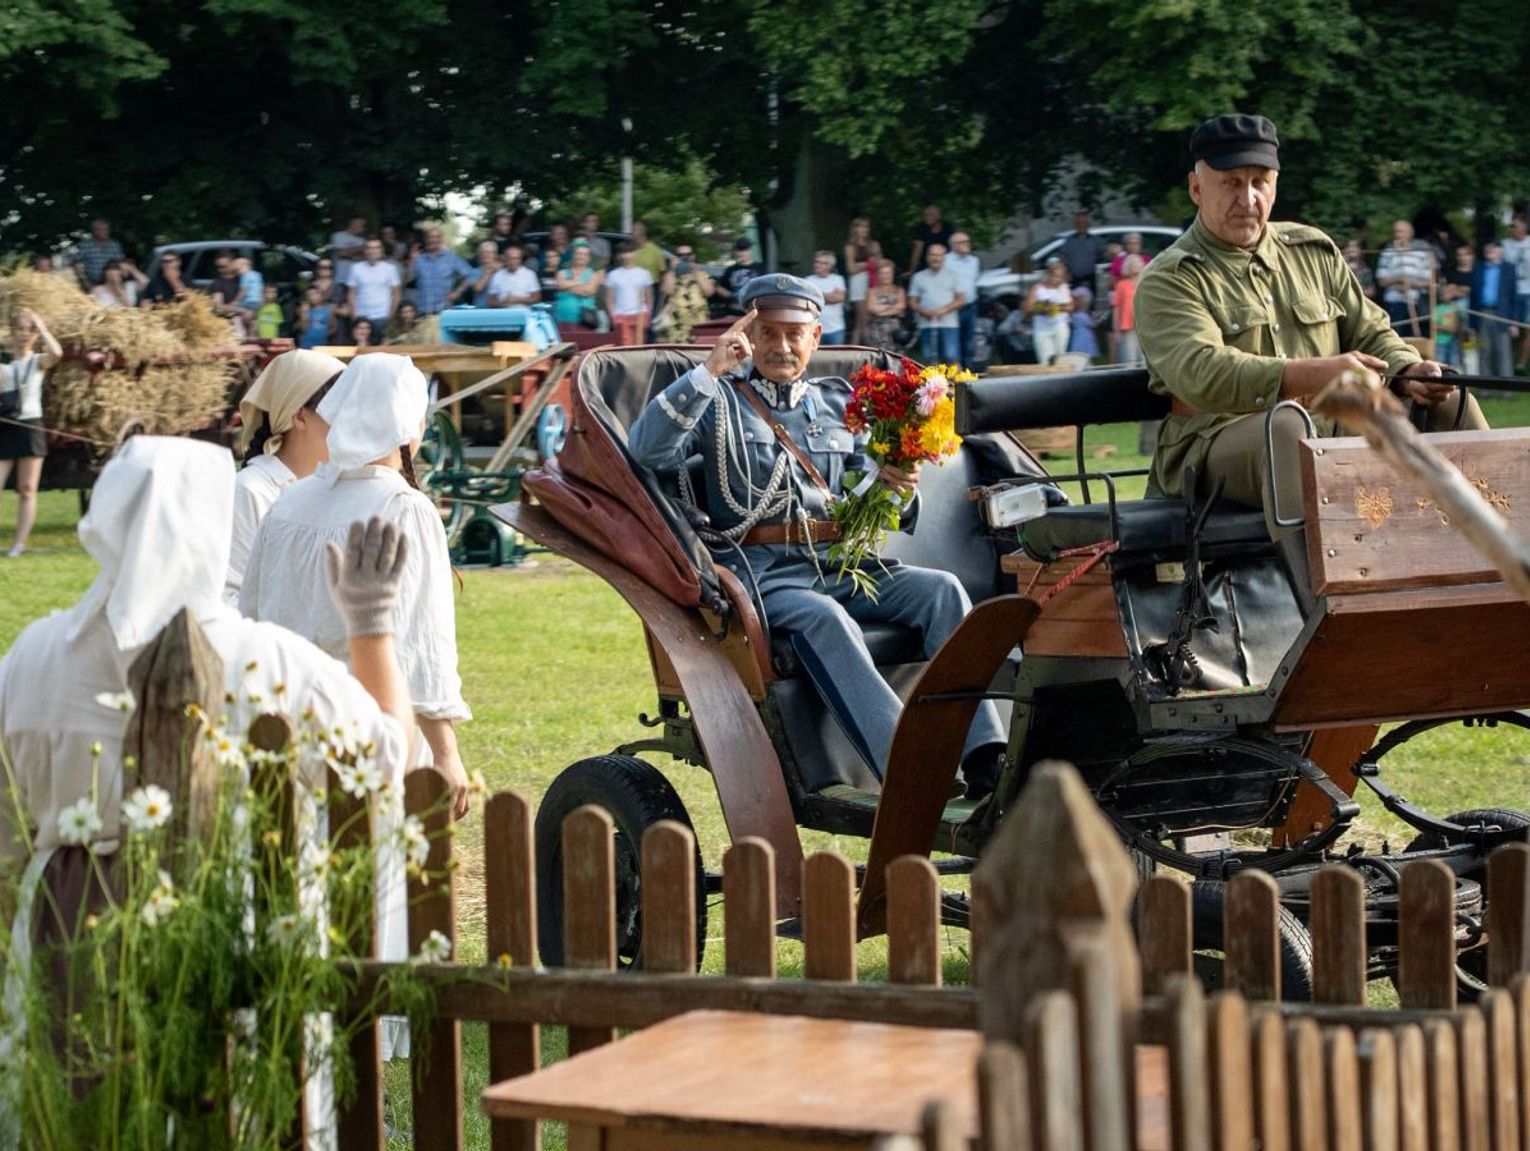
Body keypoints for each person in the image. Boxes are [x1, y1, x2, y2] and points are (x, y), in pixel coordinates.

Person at [0, 435, 421, 1148]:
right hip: (235, 932)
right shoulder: (267, 659)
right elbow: (387, 757)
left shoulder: (34, 656)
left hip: (67, 935)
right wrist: (371, 626)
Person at [626, 275, 1007, 795]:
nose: (781, 346)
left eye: (794, 334)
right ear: (749, 336)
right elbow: (646, 451)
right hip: (768, 574)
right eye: (768, 333)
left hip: (843, 563)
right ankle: (909, 770)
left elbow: (872, 503)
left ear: (816, 338)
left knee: (942, 590)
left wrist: (896, 485)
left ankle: (986, 755)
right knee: (825, 618)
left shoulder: (837, 404)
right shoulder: (717, 402)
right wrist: (709, 370)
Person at [1135, 112, 1485, 551]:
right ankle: (1323, 589)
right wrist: (1308, 375)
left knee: (1451, 399)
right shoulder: (1171, 277)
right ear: (1196, 188)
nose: (1248, 198)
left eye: (1260, 182)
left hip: (1331, 427)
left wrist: (1408, 370)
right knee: (1285, 428)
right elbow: (1202, 373)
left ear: (1275, 186)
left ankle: (1503, 563)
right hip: (1213, 445)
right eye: (1231, 183)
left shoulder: (1311, 251)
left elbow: (1371, 330)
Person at [241, 355, 472, 817]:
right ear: (407, 423)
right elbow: (423, 642)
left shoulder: (290, 500)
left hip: (287, 723)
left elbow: (252, 615)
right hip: (374, 726)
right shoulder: (404, 508)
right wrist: (446, 753)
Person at [225, 349, 346, 604]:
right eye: (338, 412)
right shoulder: (251, 491)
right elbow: (229, 597)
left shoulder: (336, 488)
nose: (347, 425)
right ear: (301, 416)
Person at [0, 308, 61, 557]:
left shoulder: (37, 362)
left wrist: (41, 326)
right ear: (12, 332)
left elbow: (56, 353)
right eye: (20, 329)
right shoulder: (4, 364)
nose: (25, 334)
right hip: (7, 426)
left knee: (27, 488)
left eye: (29, 330)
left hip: (31, 425)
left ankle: (19, 544)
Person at [1376, 219, 1435, 338]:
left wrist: (1411, 283)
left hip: (1416, 302)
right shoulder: (1388, 252)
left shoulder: (1421, 253)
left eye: (1402, 232)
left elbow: (1430, 281)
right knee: (1395, 336)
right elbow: (1381, 280)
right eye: (1396, 232)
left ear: (1410, 233)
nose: (1398, 235)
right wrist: (1399, 279)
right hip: (1394, 302)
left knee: (1415, 337)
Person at [907, 243, 964, 362]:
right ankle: (933, 376)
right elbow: (912, 301)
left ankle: (957, 376)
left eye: (939, 255)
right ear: (927, 257)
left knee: (951, 357)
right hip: (926, 324)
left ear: (944, 257)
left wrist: (944, 310)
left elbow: (961, 299)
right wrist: (924, 311)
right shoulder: (918, 277)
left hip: (949, 324)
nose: (936, 258)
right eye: (932, 255)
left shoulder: (953, 275)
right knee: (929, 358)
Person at [1471, 239, 1519, 378]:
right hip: (1482, 313)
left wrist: (1514, 322)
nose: (1489, 250)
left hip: (1502, 315)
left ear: (1500, 251)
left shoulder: (1508, 268)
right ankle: (1485, 385)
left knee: (1503, 351)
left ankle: (1506, 385)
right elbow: (1472, 297)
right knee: (1484, 351)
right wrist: (1471, 324)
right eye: (1487, 248)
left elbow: (1513, 296)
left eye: (1493, 248)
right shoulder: (1478, 268)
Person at [410, 227, 473, 315]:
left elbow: (471, 275)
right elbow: (407, 280)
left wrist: (457, 293)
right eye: (430, 237)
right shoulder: (419, 259)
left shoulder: (451, 258)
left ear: (441, 239)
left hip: (444, 311)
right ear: (426, 240)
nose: (433, 240)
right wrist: (412, 260)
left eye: (437, 237)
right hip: (423, 311)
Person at [659, 244, 715, 342]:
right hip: (677, 326)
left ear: (693, 256)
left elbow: (709, 292)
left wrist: (696, 273)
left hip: (699, 324)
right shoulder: (670, 275)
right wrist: (672, 270)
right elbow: (667, 291)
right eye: (680, 255)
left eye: (688, 255)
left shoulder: (701, 274)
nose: (684, 258)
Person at [603, 243, 654, 345]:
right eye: (623, 253)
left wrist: (648, 316)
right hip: (621, 316)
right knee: (625, 346)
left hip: (640, 314)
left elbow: (649, 298)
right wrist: (613, 317)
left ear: (635, 253)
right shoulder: (612, 275)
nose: (626, 256)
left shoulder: (644, 273)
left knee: (640, 346)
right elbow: (609, 299)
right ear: (618, 256)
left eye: (629, 252)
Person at [1024, 259, 1072, 365]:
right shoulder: (1037, 288)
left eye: (1061, 277)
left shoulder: (1064, 288)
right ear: (1049, 275)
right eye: (1055, 276)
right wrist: (1041, 309)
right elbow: (1028, 309)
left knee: (1060, 359)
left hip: (1060, 326)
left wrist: (1055, 308)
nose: (1058, 279)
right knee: (1045, 361)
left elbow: (1070, 306)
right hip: (1042, 329)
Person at [347, 238, 402, 331]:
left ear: (381, 250)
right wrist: (354, 316)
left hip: (383, 316)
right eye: (369, 248)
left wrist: (391, 315)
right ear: (365, 251)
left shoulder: (390, 268)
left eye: (376, 248)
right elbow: (351, 294)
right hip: (361, 316)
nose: (372, 251)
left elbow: (396, 294)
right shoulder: (355, 268)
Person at [1501, 214, 1530, 371]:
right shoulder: (1505, 244)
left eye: (1515, 225)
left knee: (1527, 329)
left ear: (1525, 226)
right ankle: (1509, 363)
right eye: (1511, 226)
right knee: (1511, 330)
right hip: (1511, 292)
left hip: (1528, 291)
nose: (1512, 229)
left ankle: (1521, 364)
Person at [946, 233, 981, 363]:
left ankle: (968, 369)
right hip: (952, 308)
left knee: (969, 341)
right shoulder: (945, 260)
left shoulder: (974, 261)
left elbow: (974, 281)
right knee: (953, 341)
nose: (967, 244)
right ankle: (954, 370)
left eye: (968, 241)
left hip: (971, 306)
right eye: (963, 242)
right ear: (953, 245)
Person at [553, 240, 604, 329]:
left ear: (589, 258)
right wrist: (582, 283)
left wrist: (566, 287)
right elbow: (560, 284)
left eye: (585, 254)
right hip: (561, 319)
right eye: (578, 254)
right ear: (573, 255)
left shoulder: (594, 274)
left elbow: (588, 291)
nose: (581, 257)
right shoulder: (562, 272)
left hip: (585, 320)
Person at [844, 218, 879, 342]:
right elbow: (851, 268)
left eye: (866, 227)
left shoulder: (874, 245)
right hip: (858, 283)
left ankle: (866, 345)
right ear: (854, 229)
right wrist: (868, 264)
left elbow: (880, 263)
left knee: (871, 317)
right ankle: (863, 346)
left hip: (873, 281)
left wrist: (860, 265)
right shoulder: (850, 247)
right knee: (862, 317)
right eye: (860, 227)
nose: (863, 230)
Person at [863, 259, 908, 353]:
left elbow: (901, 306)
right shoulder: (871, 291)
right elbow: (872, 308)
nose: (886, 276)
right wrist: (892, 307)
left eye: (888, 273)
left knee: (896, 357)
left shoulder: (899, 290)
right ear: (878, 275)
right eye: (883, 273)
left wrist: (881, 309)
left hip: (895, 331)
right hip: (876, 331)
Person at [806, 250, 848, 345]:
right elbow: (807, 301)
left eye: (822, 263)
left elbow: (839, 298)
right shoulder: (808, 281)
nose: (817, 265)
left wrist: (816, 295)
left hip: (836, 328)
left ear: (830, 266)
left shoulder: (838, 279)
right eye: (816, 262)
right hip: (814, 328)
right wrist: (830, 296)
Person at [1058, 211, 1106, 293]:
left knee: (1089, 300)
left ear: (1088, 224)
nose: (1081, 225)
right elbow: (1062, 257)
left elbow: (1103, 256)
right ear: (1075, 225)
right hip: (1073, 280)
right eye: (1078, 223)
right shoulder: (1069, 241)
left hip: (1089, 280)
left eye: (1084, 223)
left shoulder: (1095, 241)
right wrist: (1065, 272)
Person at [68, 219, 125, 287]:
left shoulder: (115, 245)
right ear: (94, 231)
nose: (105, 232)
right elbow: (74, 262)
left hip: (112, 284)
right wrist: (82, 280)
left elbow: (121, 263)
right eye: (101, 230)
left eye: (106, 229)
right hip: (91, 283)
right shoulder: (85, 245)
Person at [714, 238, 762, 316]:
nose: (742, 253)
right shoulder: (730, 270)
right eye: (740, 250)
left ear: (750, 251)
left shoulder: (760, 268)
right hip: (734, 310)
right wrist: (732, 296)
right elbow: (720, 288)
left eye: (745, 250)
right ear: (735, 252)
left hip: (756, 311)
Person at [1112, 253, 1144, 364]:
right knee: (1130, 360)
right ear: (1128, 266)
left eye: (1138, 263)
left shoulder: (1146, 283)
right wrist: (1116, 331)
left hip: (1144, 326)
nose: (1135, 265)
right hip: (1128, 327)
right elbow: (1116, 310)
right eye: (1132, 263)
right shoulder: (1121, 285)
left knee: (1145, 359)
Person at [487, 242, 541, 307]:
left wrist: (517, 299)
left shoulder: (529, 274)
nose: (513, 262)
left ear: (520, 259)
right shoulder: (497, 275)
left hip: (524, 311)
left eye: (516, 258)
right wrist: (502, 302)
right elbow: (490, 301)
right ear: (505, 259)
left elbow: (536, 298)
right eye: (510, 258)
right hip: (503, 311)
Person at [908, 204, 954, 273]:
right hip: (927, 264)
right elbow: (917, 251)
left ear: (938, 216)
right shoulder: (921, 228)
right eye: (925, 215)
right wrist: (912, 270)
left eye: (930, 215)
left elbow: (954, 246)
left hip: (946, 263)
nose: (927, 217)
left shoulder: (948, 227)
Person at [328, 216, 369, 282]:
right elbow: (340, 253)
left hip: (357, 279)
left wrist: (351, 252)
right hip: (341, 278)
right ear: (352, 223)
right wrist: (360, 249)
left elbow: (366, 257)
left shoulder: (362, 240)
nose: (362, 227)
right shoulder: (338, 235)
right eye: (360, 224)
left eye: (363, 225)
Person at [1067, 285, 1099, 359]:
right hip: (1085, 335)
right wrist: (1095, 318)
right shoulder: (1083, 315)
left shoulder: (1074, 314)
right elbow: (1093, 325)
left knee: (1078, 350)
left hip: (1076, 335)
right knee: (1085, 351)